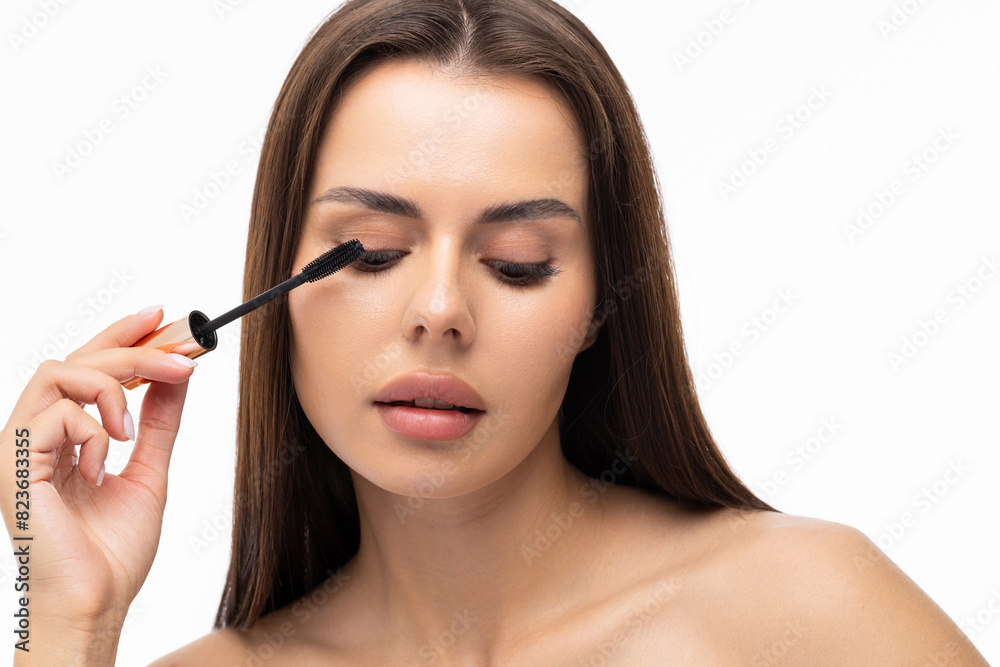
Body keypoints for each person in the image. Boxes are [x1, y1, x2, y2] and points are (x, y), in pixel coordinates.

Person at [1, 0, 988, 664]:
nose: (438, 310)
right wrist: (62, 623)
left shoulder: (805, 612)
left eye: (516, 261)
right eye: (371, 252)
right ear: (277, 284)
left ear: (602, 304)